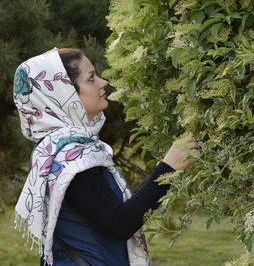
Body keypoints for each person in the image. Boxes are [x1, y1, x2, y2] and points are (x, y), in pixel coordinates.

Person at [13, 47, 200, 266]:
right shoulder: (70, 159)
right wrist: (167, 169)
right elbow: (120, 222)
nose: (103, 83)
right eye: (91, 79)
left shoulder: (51, 149)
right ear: (65, 94)